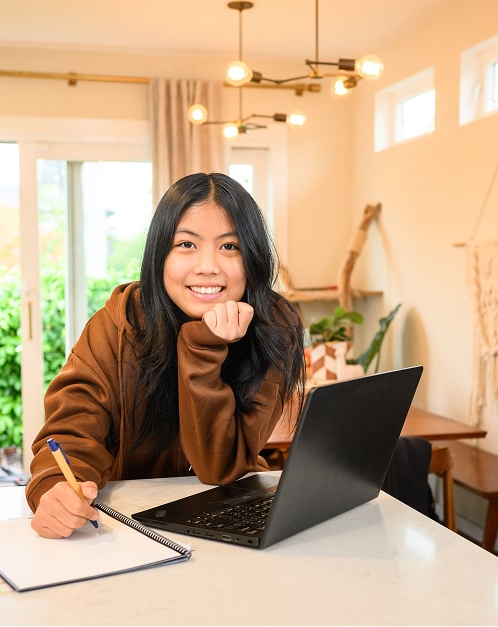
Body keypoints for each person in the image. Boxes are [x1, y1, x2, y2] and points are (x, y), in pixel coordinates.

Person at [26, 172, 306, 538]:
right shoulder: (119, 322)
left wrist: (203, 346)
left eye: (229, 246)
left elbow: (218, 467)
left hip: (231, 515)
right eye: (186, 245)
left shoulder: (274, 328)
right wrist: (55, 490)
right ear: (160, 254)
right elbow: (72, 434)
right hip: (131, 527)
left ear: (253, 257)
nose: (207, 266)